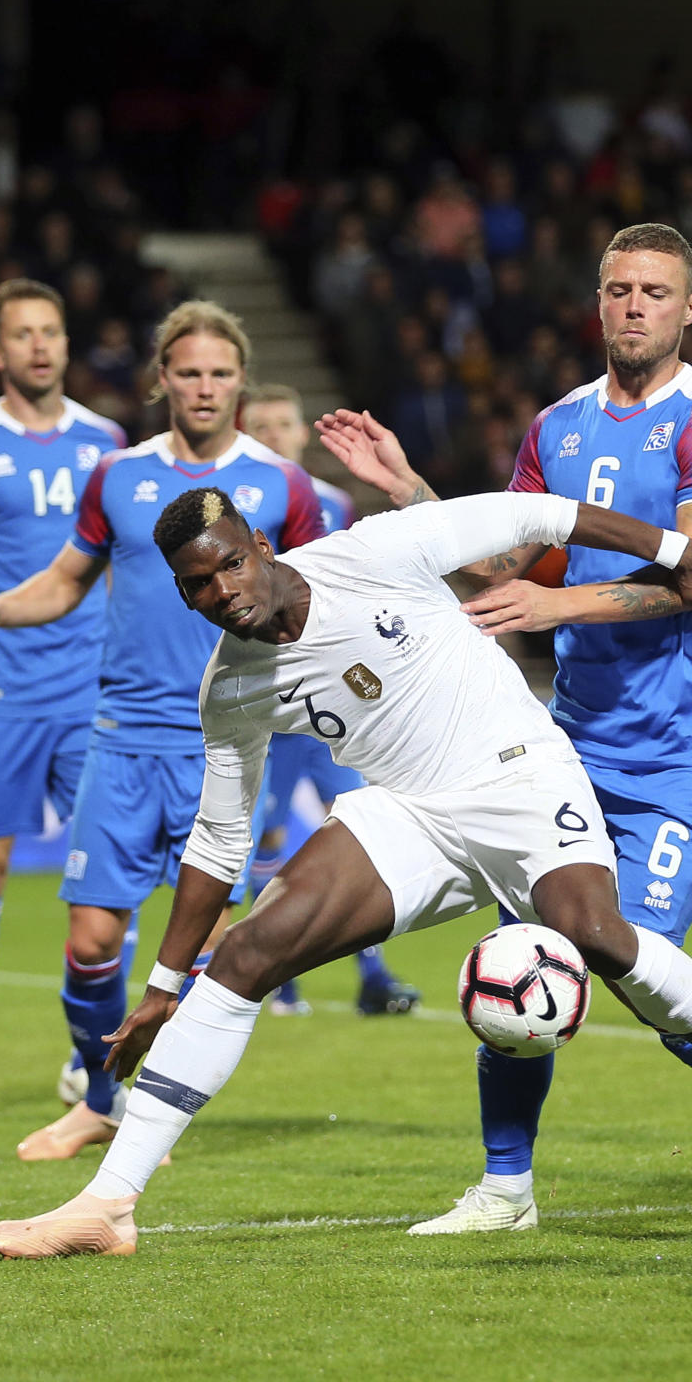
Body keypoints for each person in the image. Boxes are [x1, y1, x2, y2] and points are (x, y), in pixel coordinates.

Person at [0, 485, 692, 1258]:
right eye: (198, 585)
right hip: (411, 813)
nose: (222, 591)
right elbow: (219, 845)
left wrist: (675, 548)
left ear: (262, 546)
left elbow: (535, 513)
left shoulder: (379, 550)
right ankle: (108, 1205)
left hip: (517, 771)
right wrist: (163, 985)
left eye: (229, 564)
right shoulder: (232, 689)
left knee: (598, 937)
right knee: (247, 955)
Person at [315, 222, 692, 1227]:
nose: (635, 306)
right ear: (597, 301)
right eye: (619, 289)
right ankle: (506, 1189)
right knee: (521, 954)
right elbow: (509, 571)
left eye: (656, 291)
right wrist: (412, 493)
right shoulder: (557, 427)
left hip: (684, 747)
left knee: (626, 951)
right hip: (571, 745)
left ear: (689, 307)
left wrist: (559, 610)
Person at [0, 302, 324, 1159]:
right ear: (161, 378)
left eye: (219, 373)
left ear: (240, 380)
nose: (204, 387)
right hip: (121, 737)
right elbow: (63, 581)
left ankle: (153, 1123)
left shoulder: (284, 484)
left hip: (225, 747)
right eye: (188, 372)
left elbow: (320, 591)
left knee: (201, 960)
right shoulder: (116, 476)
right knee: (90, 947)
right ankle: (100, 1098)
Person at [0, 278, 125, 1124]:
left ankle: (93, 1065)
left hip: (92, 687)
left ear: (66, 345)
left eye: (51, 332)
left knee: (108, 877)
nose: (39, 346)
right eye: (22, 334)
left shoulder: (106, 443)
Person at [242, 385, 421, 1017]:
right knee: (263, 834)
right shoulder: (231, 505)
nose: (270, 433)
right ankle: (274, 975)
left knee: (360, 823)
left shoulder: (336, 503)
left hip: (332, 701)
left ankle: (372, 975)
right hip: (267, 698)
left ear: (299, 434)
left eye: (281, 423)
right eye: (257, 424)